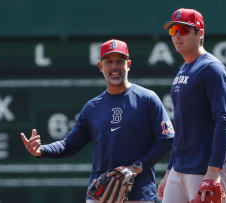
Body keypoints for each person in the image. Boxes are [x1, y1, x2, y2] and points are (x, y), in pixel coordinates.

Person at [20, 39, 174, 203]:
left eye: (119, 61)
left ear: (128, 64)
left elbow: (166, 139)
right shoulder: (92, 107)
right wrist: (41, 150)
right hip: (100, 195)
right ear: (101, 66)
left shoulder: (147, 99)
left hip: (140, 194)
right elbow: (69, 145)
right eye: (109, 62)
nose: (114, 67)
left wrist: (135, 167)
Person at [157, 8, 226, 203]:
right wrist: (169, 170)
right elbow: (182, 125)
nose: (176, 35)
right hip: (180, 165)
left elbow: (225, 120)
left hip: (204, 166)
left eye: (183, 29)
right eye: (173, 30)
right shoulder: (184, 69)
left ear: (200, 33)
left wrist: (213, 172)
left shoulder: (212, 69)